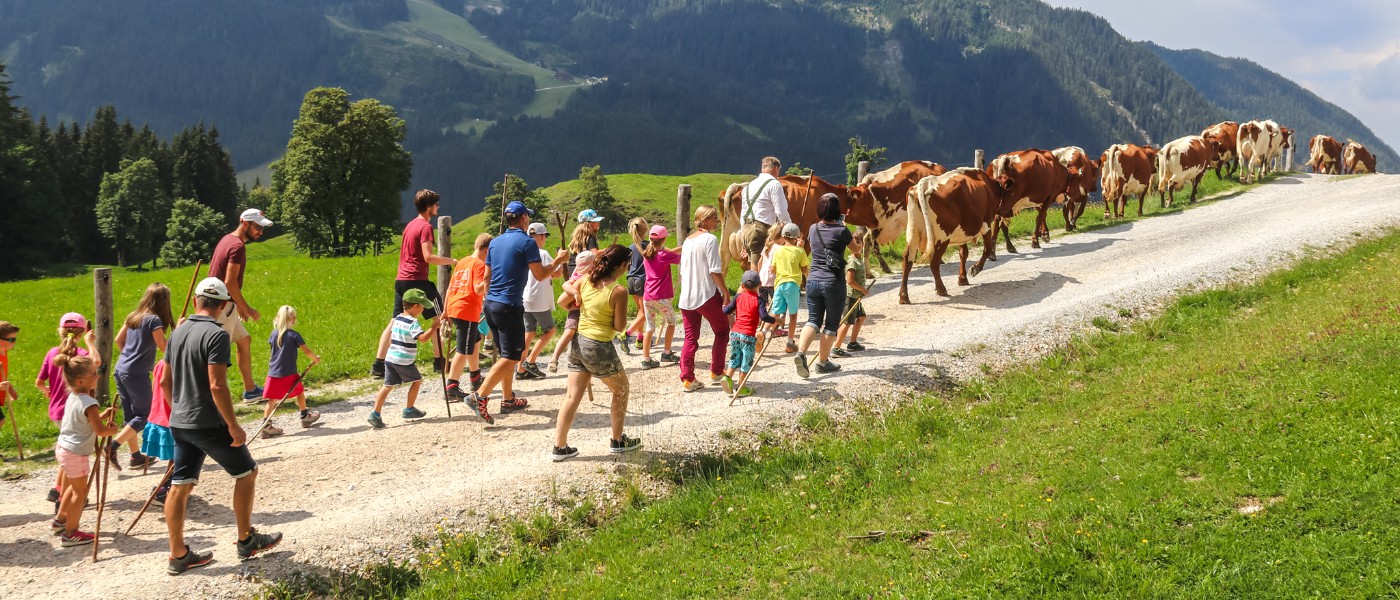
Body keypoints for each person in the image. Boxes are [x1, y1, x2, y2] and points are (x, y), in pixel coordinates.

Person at [162, 277, 281, 575]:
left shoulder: (177, 331)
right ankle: (246, 540)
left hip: (179, 421)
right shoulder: (216, 335)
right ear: (225, 306)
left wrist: (178, 408)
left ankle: (178, 555)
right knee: (247, 472)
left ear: (195, 301)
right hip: (208, 421)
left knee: (180, 484)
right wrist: (233, 425)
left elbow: (164, 380)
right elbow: (217, 386)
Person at [469, 201, 568, 424]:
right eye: (528, 217)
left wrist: (490, 298)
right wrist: (559, 261)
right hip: (509, 305)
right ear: (524, 218)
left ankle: (507, 399)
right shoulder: (527, 242)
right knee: (512, 356)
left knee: (505, 353)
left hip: (491, 304)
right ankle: (479, 396)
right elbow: (541, 274)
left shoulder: (494, 242)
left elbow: (486, 278)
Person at [551, 245, 641, 461]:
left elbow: (562, 301)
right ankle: (617, 441)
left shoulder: (585, 280)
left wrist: (579, 303)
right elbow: (619, 327)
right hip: (599, 345)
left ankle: (559, 447)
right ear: (620, 266)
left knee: (572, 395)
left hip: (578, 342)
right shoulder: (618, 291)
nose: (628, 267)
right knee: (620, 390)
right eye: (627, 264)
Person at [371, 190, 455, 379]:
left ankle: (378, 364)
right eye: (436, 204)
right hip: (417, 280)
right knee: (438, 316)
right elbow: (428, 257)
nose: (438, 207)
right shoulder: (425, 227)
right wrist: (452, 261)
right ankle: (438, 360)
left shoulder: (409, 226)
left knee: (394, 321)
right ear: (428, 207)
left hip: (401, 280)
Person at [49, 354, 119, 547]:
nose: (97, 376)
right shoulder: (90, 403)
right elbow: (100, 430)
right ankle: (71, 533)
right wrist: (112, 429)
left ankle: (60, 520)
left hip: (64, 448)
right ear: (80, 380)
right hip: (76, 454)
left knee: (72, 487)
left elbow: (84, 420)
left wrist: (101, 415)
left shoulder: (74, 396)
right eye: (94, 374)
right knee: (80, 494)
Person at [209, 208, 273, 401]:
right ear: (244, 222)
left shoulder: (226, 239)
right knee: (216, 355)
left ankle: (251, 390)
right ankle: (213, 398)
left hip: (220, 303)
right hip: (222, 308)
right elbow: (230, 282)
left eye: (262, 228)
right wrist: (246, 308)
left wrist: (238, 305)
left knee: (244, 340)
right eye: (257, 227)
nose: (260, 232)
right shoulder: (237, 247)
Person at [110, 283, 175, 470]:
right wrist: (179, 333)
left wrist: (129, 356)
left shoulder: (133, 316)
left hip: (121, 368)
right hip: (136, 373)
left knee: (131, 415)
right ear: (163, 301)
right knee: (144, 415)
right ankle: (113, 446)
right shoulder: (154, 320)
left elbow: (118, 340)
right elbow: (164, 348)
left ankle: (135, 457)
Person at [37, 312, 98, 507]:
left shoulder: (52, 353)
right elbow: (96, 362)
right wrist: (90, 342)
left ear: (60, 331)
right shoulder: (81, 355)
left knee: (67, 450)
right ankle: (67, 496)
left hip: (56, 411)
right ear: (80, 334)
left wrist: (48, 391)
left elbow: (39, 382)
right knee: (73, 453)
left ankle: (57, 490)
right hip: (75, 411)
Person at [794, 193, 853, 378]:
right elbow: (856, 249)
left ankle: (801, 352)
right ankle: (822, 362)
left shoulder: (813, 228)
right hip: (833, 282)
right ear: (837, 210)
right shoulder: (842, 231)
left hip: (812, 281)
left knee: (813, 320)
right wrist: (844, 227)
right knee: (831, 324)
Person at [678, 205, 731, 392]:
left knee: (690, 338)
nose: (717, 220)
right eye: (714, 217)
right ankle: (717, 371)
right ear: (705, 220)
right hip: (706, 294)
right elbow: (714, 270)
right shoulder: (710, 239)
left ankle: (688, 378)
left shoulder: (687, 241)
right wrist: (724, 292)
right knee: (723, 330)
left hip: (686, 296)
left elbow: (682, 270)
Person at [368, 289, 437, 429]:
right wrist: (434, 327)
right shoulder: (413, 323)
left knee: (387, 386)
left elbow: (391, 339)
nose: (423, 309)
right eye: (422, 306)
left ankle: (375, 413)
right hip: (404, 360)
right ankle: (409, 409)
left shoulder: (398, 318)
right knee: (417, 381)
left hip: (391, 357)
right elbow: (423, 339)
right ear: (416, 306)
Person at [259, 306, 321, 437]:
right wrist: (315, 359)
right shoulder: (294, 335)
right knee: (299, 392)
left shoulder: (273, 334)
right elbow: (306, 351)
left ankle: (266, 425)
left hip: (273, 373)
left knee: (272, 399)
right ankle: (305, 415)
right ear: (292, 319)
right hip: (289, 373)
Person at [444, 233, 493, 398]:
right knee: (463, 349)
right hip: (467, 308)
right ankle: (451, 386)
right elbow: (478, 288)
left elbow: (451, 287)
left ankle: (475, 377)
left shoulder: (463, 262)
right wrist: (489, 278)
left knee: (475, 340)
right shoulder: (480, 265)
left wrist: (445, 310)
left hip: (454, 306)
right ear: (486, 250)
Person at [518, 222, 566, 380]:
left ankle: (520, 369)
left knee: (529, 332)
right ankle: (530, 361)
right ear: (539, 236)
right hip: (539, 299)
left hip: (525, 298)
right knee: (550, 330)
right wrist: (561, 260)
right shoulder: (543, 254)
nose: (545, 238)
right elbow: (557, 274)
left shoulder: (522, 253)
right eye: (544, 235)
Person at [721, 271, 775, 397]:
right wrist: (775, 320)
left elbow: (727, 310)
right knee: (747, 360)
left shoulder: (738, 296)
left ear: (742, 285)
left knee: (734, 356)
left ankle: (727, 377)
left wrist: (723, 307)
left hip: (735, 333)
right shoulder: (759, 300)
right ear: (760, 284)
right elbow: (764, 317)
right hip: (748, 336)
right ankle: (741, 386)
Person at [639, 225, 681, 369]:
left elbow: (667, 252)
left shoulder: (647, 254)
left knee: (650, 326)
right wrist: (686, 245)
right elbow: (680, 258)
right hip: (661, 297)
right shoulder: (664, 255)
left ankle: (646, 359)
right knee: (671, 322)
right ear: (663, 239)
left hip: (647, 296)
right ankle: (667, 353)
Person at [739, 156, 792, 271]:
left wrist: (742, 231)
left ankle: (753, 287)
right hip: (761, 229)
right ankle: (756, 288)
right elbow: (781, 212)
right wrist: (790, 228)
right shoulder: (774, 184)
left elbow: (743, 211)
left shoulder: (749, 186)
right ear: (776, 169)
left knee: (752, 262)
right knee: (759, 264)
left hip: (745, 228)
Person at [548, 250, 595, 373]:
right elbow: (565, 285)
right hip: (575, 311)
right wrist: (575, 293)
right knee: (569, 333)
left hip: (589, 313)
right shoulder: (578, 276)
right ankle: (554, 359)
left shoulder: (594, 276)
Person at [768, 223, 809, 354]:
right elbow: (804, 270)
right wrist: (800, 249)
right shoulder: (800, 251)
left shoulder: (778, 250)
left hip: (779, 284)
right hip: (792, 285)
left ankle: (763, 332)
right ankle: (790, 343)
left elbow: (773, 269)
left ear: (783, 236)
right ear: (797, 237)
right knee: (793, 315)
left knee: (775, 312)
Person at [833, 230, 870, 357]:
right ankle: (836, 347)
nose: (857, 245)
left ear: (863, 244)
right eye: (854, 243)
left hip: (856, 296)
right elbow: (849, 281)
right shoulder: (852, 261)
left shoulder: (859, 260)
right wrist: (863, 289)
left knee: (861, 317)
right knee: (847, 322)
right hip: (851, 296)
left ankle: (852, 343)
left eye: (859, 242)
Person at [143, 359, 174, 508]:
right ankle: (163, 491)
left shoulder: (161, 363)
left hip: (158, 416)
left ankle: (167, 488)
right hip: (170, 418)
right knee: (180, 458)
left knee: (177, 458)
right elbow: (164, 384)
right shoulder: (175, 364)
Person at [622, 217, 650, 351]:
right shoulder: (649, 246)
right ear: (646, 230)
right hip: (642, 280)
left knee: (640, 311)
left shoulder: (630, 248)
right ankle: (626, 334)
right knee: (645, 313)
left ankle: (640, 338)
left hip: (631, 280)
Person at [756, 224, 786, 339]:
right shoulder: (780, 249)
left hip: (763, 279)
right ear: (782, 236)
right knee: (777, 306)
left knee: (763, 304)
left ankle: (760, 324)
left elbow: (759, 263)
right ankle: (774, 328)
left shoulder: (767, 246)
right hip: (773, 280)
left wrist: (759, 276)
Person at [0, 321, 19, 460]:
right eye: (11, 339)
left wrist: (10, 388)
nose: (14, 342)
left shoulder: (4, 352)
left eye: (15, 339)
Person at [565, 209, 603, 277]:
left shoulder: (578, 239)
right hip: (583, 272)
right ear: (588, 223)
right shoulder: (590, 238)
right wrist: (607, 251)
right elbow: (595, 254)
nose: (598, 223)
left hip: (572, 272)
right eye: (595, 221)